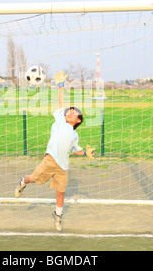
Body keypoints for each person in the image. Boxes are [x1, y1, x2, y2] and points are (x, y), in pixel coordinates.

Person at [14, 71, 95, 231]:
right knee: (35, 179)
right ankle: (22, 182)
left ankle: (58, 215)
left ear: (78, 120)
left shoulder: (74, 135)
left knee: (61, 193)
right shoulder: (60, 120)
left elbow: (75, 150)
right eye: (69, 110)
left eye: (73, 112)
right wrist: (60, 86)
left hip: (63, 167)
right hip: (50, 160)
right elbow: (60, 103)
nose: (69, 112)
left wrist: (85, 153)